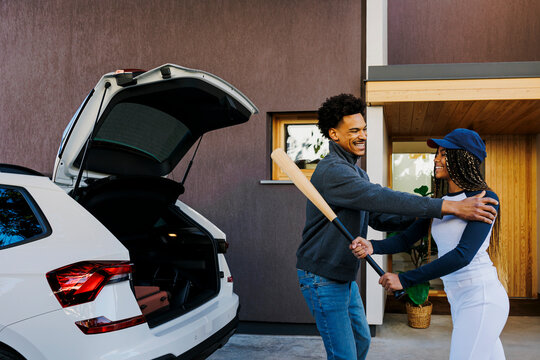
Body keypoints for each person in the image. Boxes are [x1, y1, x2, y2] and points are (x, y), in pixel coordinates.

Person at [296, 94, 498, 360]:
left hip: (343, 276)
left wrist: (428, 217)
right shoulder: (333, 171)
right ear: (334, 134)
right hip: (321, 275)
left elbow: (378, 216)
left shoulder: (356, 172)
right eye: (354, 131)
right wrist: (444, 207)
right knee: (344, 354)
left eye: (364, 129)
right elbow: (380, 197)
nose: (363, 136)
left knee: (360, 343)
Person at [351, 128, 508, 360]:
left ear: (463, 158)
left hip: (481, 296)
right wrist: (372, 246)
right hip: (458, 296)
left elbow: (462, 255)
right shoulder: (440, 204)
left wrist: (404, 279)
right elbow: (406, 238)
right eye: (438, 154)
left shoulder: (485, 199)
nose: (436, 159)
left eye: (444, 153)